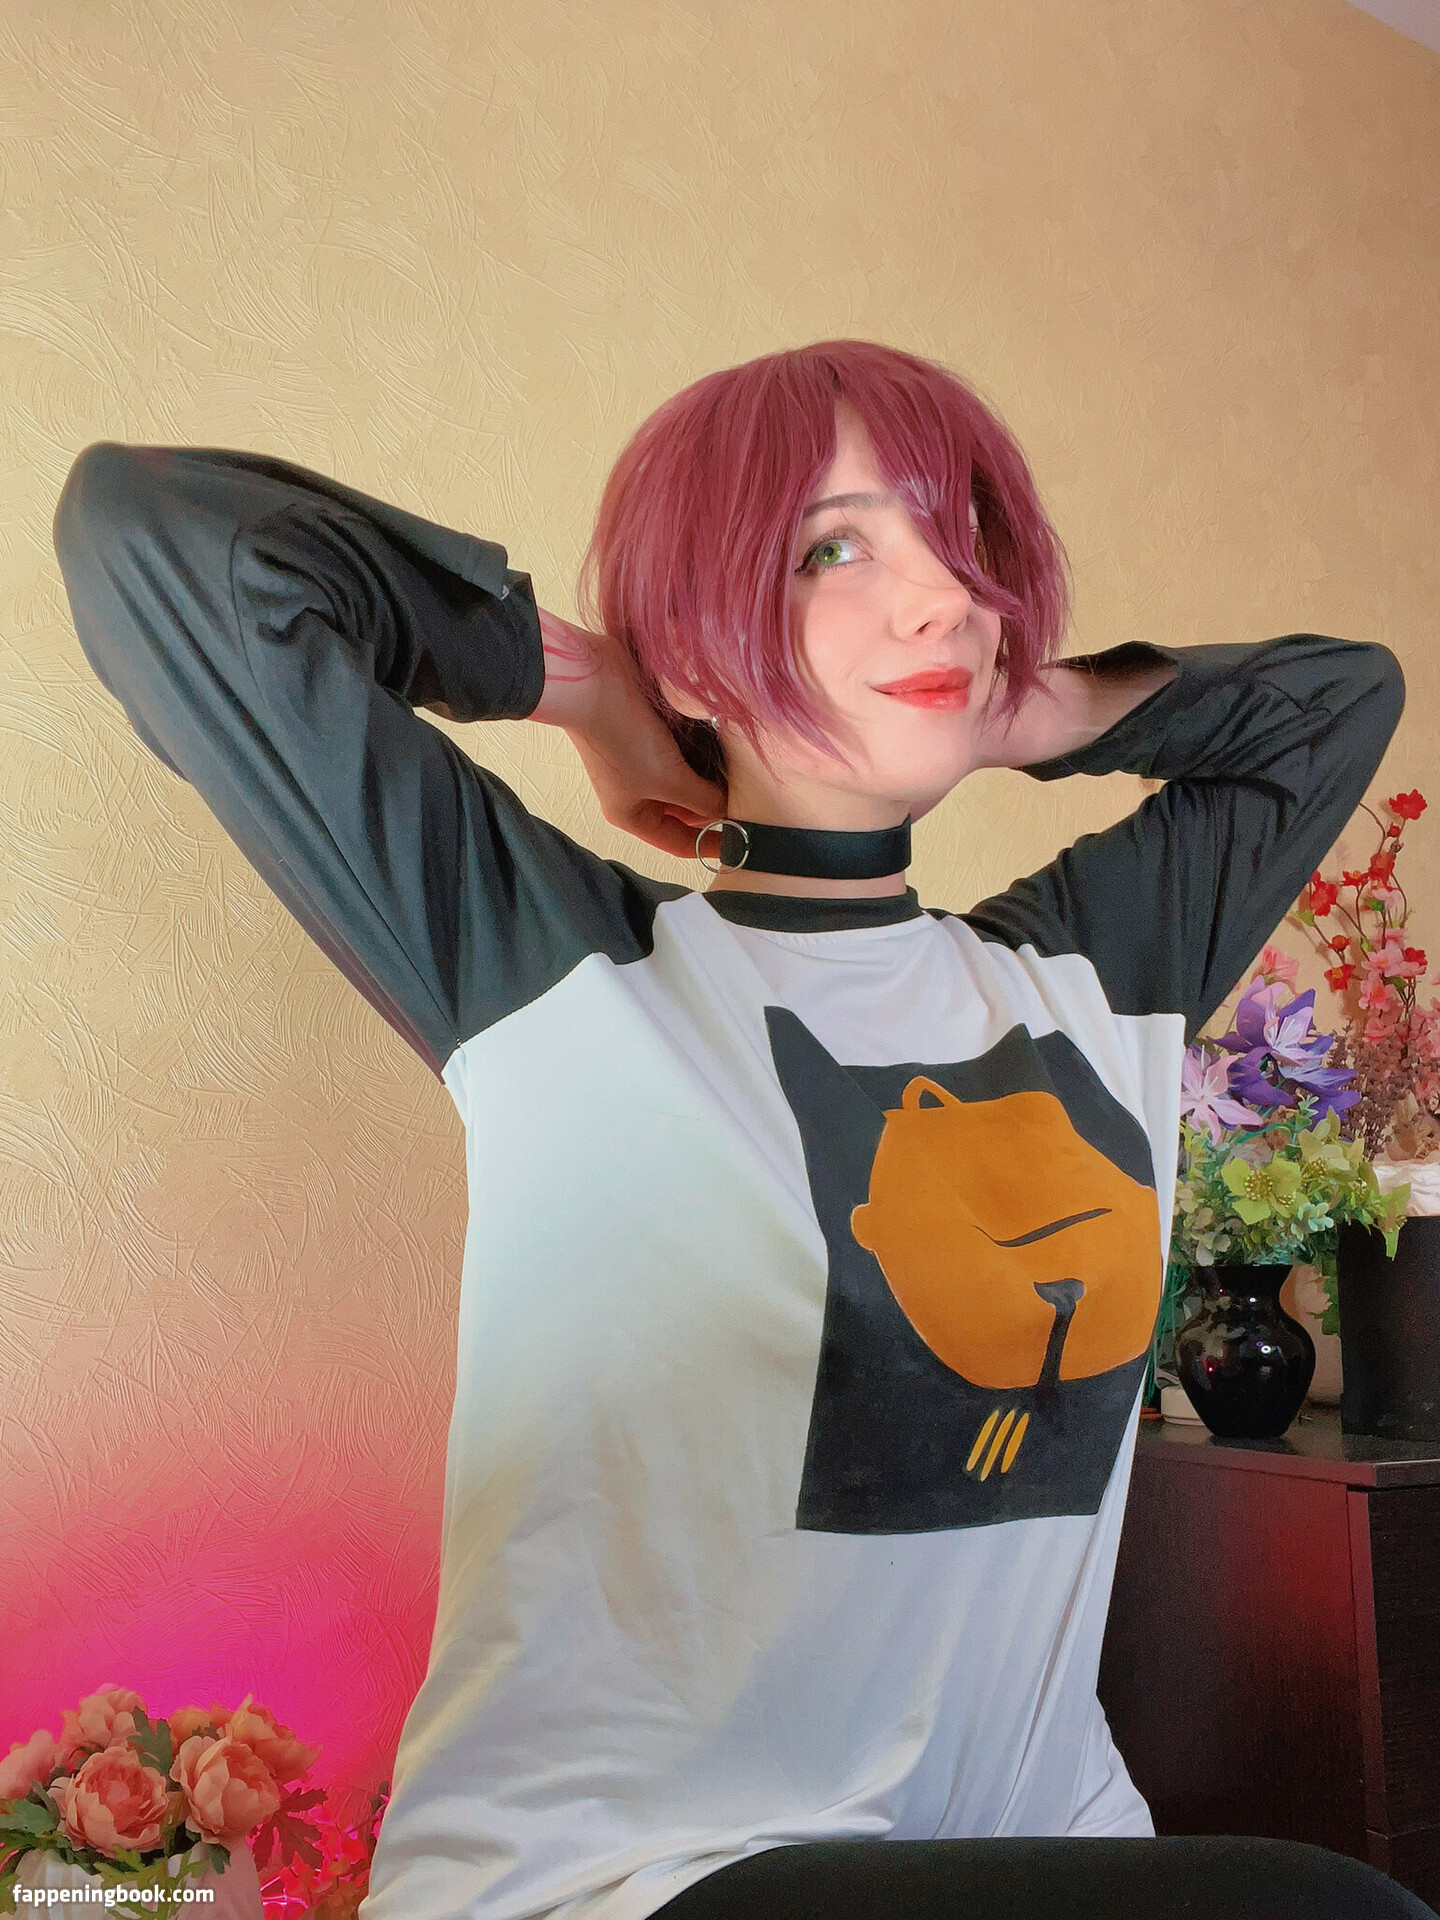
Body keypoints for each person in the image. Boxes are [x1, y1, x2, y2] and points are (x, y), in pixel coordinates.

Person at [53, 341, 1426, 1920]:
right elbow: (153, 539)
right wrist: (597, 685)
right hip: (627, 1885)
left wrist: (1019, 705)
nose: (941, 596)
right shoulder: (559, 969)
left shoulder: (1090, 978)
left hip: (1033, 1852)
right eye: (833, 549)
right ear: (700, 636)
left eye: (957, 542)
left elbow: (1340, 701)